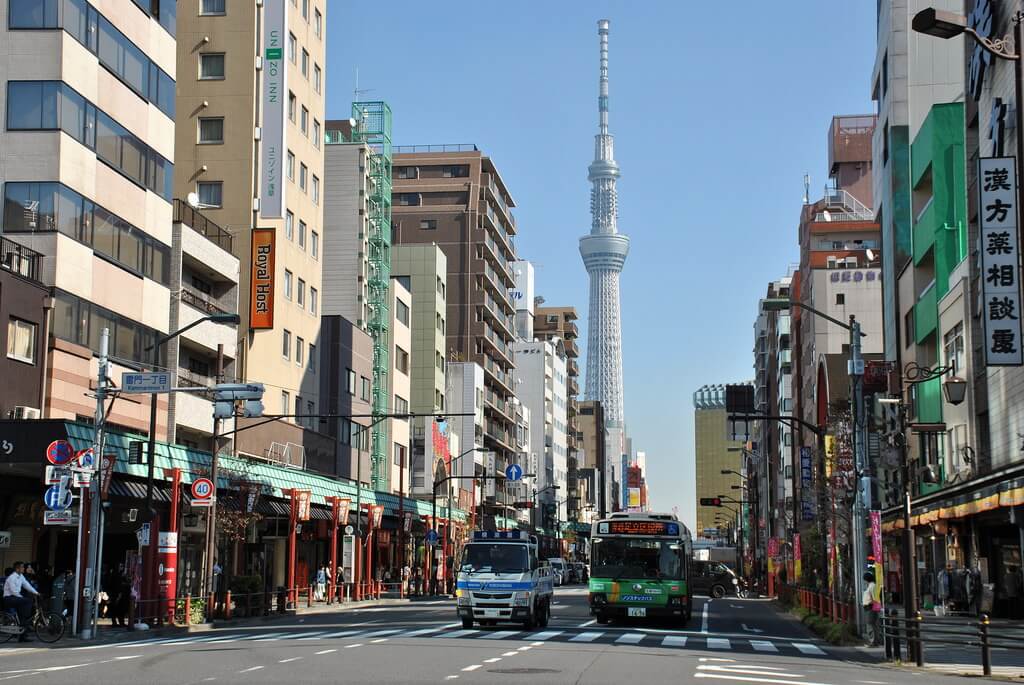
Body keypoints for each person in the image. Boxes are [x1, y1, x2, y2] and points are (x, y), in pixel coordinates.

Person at [3, 561, 39, 642]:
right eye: (22, 567)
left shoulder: (21, 576)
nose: (24, 568)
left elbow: (27, 585)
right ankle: (26, 617)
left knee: (22, 617)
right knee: (27, 601)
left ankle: (22, 637)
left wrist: (36, 593)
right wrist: (22, 598)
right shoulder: (11, 577)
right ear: (17, 569)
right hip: (9, 598)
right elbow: (14, 591)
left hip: (16, 598)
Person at [862, 570, 879, 646]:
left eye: (864, 579)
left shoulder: (872, 586)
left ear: (867, 579)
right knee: (872, 624)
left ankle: (872, 642)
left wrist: (871, 603)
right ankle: (874, 641)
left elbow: (874, 597)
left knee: (870, 624)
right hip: (870, 607)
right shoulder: (871, 585)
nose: (864, 581)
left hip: (871, 607)